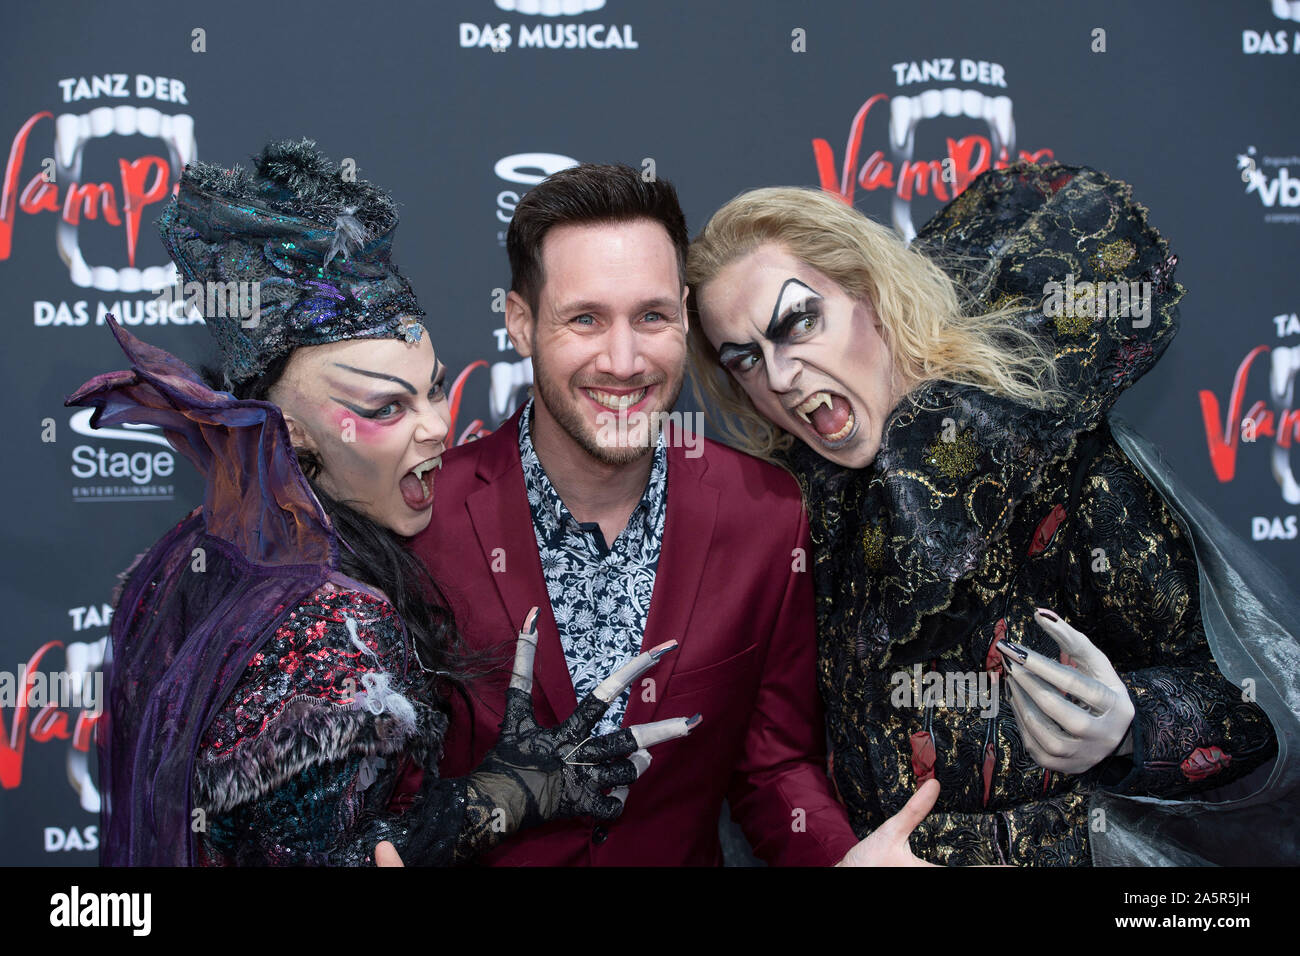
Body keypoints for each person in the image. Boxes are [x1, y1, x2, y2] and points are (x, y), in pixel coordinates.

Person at [69, 141, 691, 867]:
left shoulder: (199, 551)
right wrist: (502, 796)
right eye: (386, 407)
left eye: (431, 388)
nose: (437, 424)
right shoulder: (336, 617)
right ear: (292, 431)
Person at [686, 161, 1299, 865]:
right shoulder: (800, 509)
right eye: (745, 359)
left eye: (798, 322)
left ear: (871, 292)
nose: (782, 375)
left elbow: (1248, 699)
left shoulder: (1047, 457)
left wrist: (1132, 722)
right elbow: (772, 761)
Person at [412, 162, 893, 866]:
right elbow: (383, 798)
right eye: (585, 319)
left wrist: (840, 858)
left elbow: (771, 769)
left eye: (652, 317)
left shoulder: (767, 516)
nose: (624, 358)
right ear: (520, 323)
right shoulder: (427, 520)